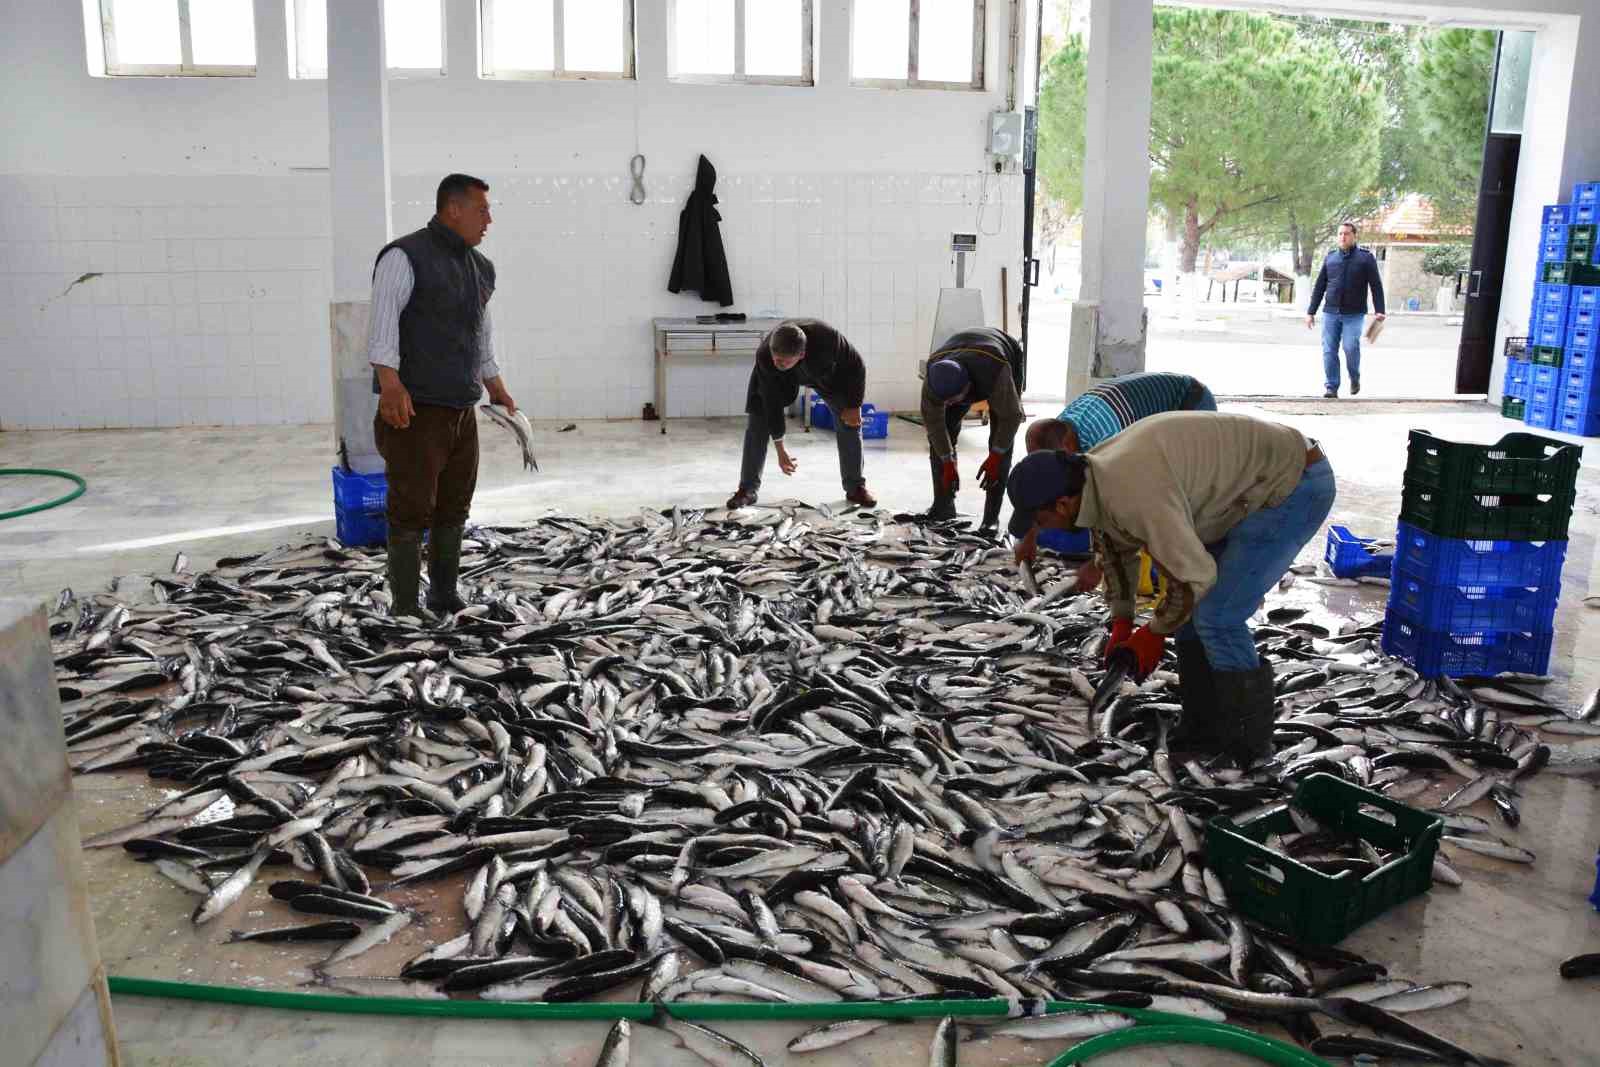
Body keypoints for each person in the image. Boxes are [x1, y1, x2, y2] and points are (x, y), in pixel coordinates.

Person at [1005, 412, 1336, 766]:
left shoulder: (1132, 491)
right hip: (1241, 490)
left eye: (1041, 520)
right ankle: (1202, 729)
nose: (1043, 529)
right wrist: (1122, 622)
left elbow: (1196, 578)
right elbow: (1115, 551)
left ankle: (1247, 749)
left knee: (1217, 616)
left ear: (1062, 504)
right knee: (1189, 611)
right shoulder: (1092, 478)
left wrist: (1153, 633)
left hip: (1292, 484)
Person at [368, 173, 517, 619]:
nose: (489, 220)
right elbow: (382, 324)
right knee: (411, 508)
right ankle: (404, 607)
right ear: (453, 209)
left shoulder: (481, 267)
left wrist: (495, 384)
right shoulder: (404, 256)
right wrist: (390, 383)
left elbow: (480, 333)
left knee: (454, 504)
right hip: (415, 408)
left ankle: (443, 595)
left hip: (460, 407)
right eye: (481, 210)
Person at [1018, 371, 1217, 573]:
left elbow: (1130, 504)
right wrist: (1029, 537)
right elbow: (1043, 491)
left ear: (1067, 448)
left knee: (1180, 505)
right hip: (1144, 400)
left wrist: (1098, 564)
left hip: (1190, 401)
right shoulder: (1057, 434)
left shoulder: (1103, 443)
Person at [726, 319, 876, 510]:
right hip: (779, 380)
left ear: (801, 354)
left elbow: (857, 366)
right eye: (776, 358)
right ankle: (747, 489)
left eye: (784, 360)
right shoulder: (766, 356)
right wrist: (780, 448)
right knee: (758, 423)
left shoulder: (828, 340)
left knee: (850, 423)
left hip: (825, 376)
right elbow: (771, 403)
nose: (779, 362)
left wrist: (854, 405)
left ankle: (855, 488)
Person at [921, 327, 1025, 532]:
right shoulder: (933, 378)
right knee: (940, 437)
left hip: (1002, 355)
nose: (953, 404)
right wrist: (947, 462)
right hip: (961, 350)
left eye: (957, 399)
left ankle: (990, 520)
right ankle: (943, 507)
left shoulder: (994, 371)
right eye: (947, 402)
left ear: (969, 385)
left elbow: (1011, 417)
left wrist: (995, 456)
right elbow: (934, 426)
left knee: (1001, 440)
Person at [1306, 221, 1386, 399]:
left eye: (1347, 234)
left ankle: (1354, 377)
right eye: (1340, 234)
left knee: (1350, 347)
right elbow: (1319, 286)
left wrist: (1380, 309)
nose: (1343, 237)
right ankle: (1331, 387)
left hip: (1354, 314)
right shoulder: (1330, 258)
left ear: (1354, 236)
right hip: (1330, 313)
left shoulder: (1366, 258)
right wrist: (1311, 312)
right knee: (1329, 350)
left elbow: (1376, 285)